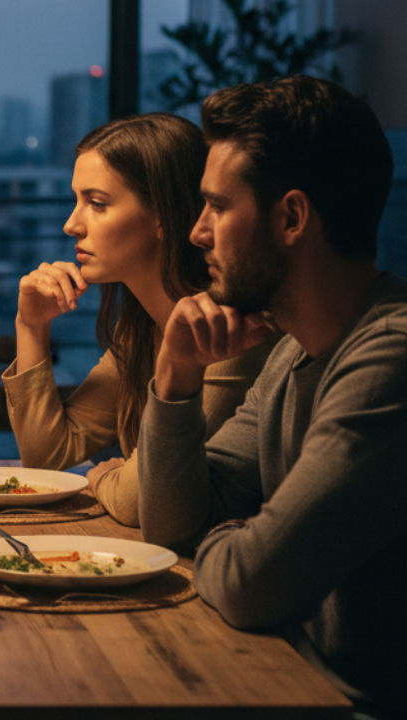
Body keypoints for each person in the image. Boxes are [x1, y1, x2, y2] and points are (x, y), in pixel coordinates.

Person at [137, 76, 405, 718]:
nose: (197, 233)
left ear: (291, 218)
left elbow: (253, 585)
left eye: (217, 207)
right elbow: (172, 527)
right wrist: (176, 376)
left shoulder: (390, 360)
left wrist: (231, 534)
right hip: (282, 682)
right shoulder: (291, 352)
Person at [2, 114, 278, 527]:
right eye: (76, 201)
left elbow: (137, 500)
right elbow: (46, 457)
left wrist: (103, 477)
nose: (71, 225)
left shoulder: (224, 332)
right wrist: (31, 326)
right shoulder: (143, 328)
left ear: (165, 216)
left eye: (97, 203)